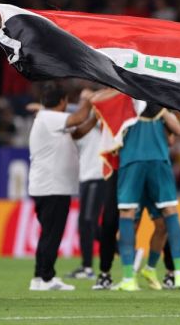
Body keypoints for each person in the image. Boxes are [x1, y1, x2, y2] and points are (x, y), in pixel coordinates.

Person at [114, 103, 180, 291]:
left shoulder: (158, 107)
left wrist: (162, 112)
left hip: (149, 163)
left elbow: (176, 131)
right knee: (131, 218)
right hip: (140, 162)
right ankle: (129, 277)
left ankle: (165, 272)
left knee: (163, 221)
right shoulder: (126, 105)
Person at [28, 83, 97, 291]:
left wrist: (95, 117)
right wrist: (89, 99)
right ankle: (47, 278)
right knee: (52, 235)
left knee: (48, 234)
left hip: (50, 186)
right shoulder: (49, 117)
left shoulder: (50, 120)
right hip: (52, 187)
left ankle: (39, 278)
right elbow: (79, 118)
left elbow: (78, 131)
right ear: (62, 101)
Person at [66, 119, 105, 280]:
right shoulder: (79, 125)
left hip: (97, 176)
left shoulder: (100, 122)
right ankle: (128, 252)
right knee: (88, 225)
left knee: (87, 222)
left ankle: (87, 268)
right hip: (86, 177)